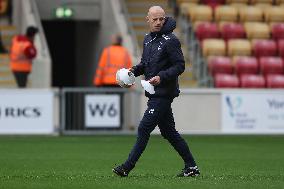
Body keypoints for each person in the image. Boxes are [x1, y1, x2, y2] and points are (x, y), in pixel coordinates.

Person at [112, 6, 200, 177]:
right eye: (155, 19)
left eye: (162, 19)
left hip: (164, 93)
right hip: (153, 93)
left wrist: (162, 77)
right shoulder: (147, 39)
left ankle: (126, 167)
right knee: (169, 133)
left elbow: (180, 65)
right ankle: (192, 167)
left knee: (144, 128)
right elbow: (145, 64)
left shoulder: (171, 40)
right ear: (148, 20)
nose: (159, 22)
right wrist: (132, 71)